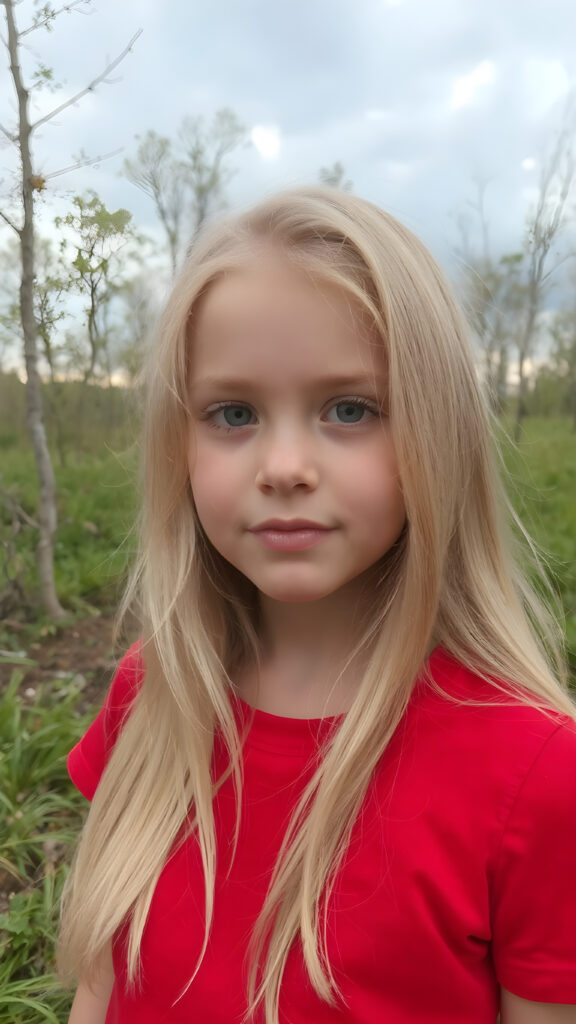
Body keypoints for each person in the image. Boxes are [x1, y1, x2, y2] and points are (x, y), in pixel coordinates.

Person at [58, 187, 576, 1024]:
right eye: (233, 413)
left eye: (350, 409)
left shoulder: (537, 773)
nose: (285, 465)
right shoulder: (151, 696)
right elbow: (101, 982)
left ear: (438, 433)